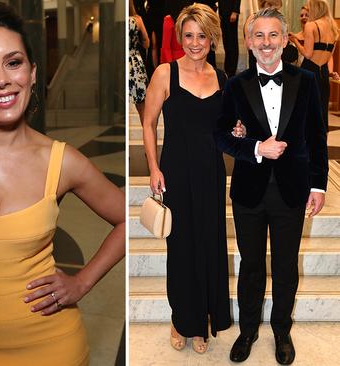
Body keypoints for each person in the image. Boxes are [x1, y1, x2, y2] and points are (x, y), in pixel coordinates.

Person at [0, 3, 125, 365]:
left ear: (32, 72)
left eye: (13, 63)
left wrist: (81, 282)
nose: (1, 79)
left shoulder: (63, 161)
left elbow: (129, 217)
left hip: (54, 345)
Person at [215, 7, 328, 365]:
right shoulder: (235, 85)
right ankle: (247, 330)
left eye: (273, 35)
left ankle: (282, 330)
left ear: (285, 39)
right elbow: (220, 135)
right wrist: (254, 148)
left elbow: (317, 136)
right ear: (249, 42)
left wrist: (319, 186)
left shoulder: (306, 80)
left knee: (284, 265)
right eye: (259, 36)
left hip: (292, 190)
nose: (266, 43)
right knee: (250, 265)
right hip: (249, 190)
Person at [143, 3, 232, 355]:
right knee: (181, 247)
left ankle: (203, 322)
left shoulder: (222, 79)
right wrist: (153, 167)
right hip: (176, 171)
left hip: (211, 172)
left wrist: (237, 130)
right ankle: (182, 318)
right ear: (181, 37)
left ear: (212, 38)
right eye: (189, 35)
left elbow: (226, 130)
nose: (195, 43)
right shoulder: (165, 74)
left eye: (202, 36)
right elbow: (148, 123)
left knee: (209, 245)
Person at [291, 0, 339, 131]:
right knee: (322, 109)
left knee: (304, 108)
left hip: (309, 69)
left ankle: (305, 143)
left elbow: (307, 54)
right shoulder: (334, 29)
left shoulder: (311, 25)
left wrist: (295, 40)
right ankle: (320, 144)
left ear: (315, 8)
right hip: (323, 71)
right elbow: (329, 56)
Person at [130, 1, 150, 123]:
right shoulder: (137, 20)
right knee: (142, 106)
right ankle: (147, 137)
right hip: (134, 63)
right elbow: (147, 43)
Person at [218, 0, 242, 76]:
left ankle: (232, 70)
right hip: (223, 13)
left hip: (231, 13)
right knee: (226, 42)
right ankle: (227, 68)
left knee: (232, 42)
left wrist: (235, 11)